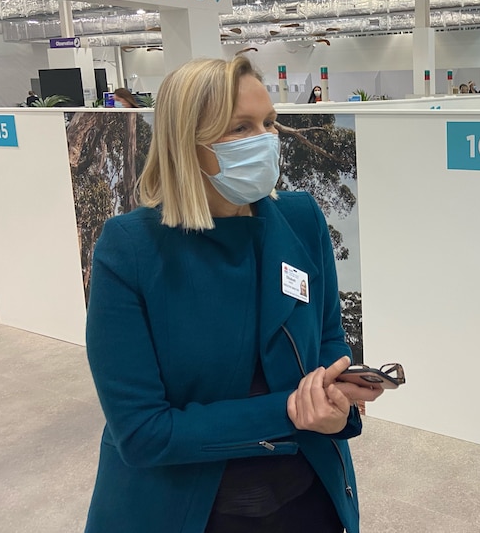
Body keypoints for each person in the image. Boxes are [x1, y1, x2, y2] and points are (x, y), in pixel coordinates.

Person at [84, 56, 384, 533]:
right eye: (241, 128)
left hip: (309, 498)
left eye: (269, 122)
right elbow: (143, 433)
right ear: (188, 144)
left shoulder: (301, 220)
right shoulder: (132, 249)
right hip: (186, 509)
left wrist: (336, 412)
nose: (266, 140)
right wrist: (291, 412)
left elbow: (329, 341)